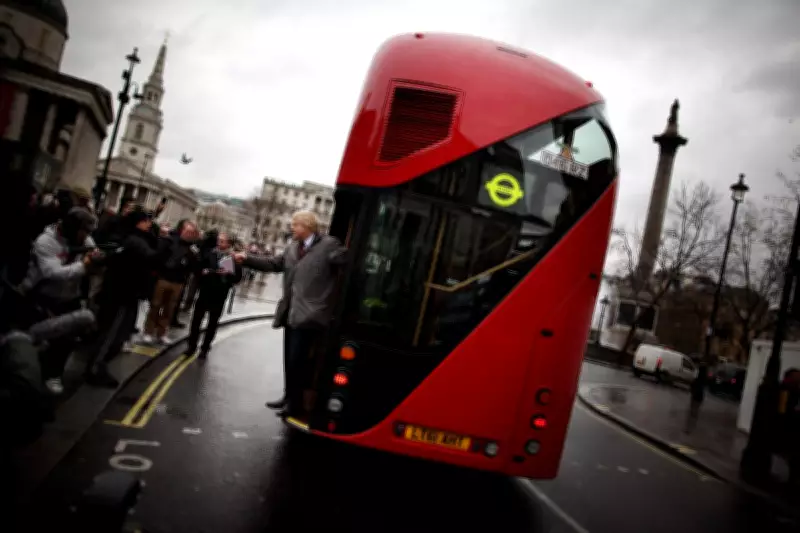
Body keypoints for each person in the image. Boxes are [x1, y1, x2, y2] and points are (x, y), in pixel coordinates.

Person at [234, 210, 347, 415]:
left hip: (311, 314)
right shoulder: (293, 247)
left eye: (295, 225)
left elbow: (346, 262)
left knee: (299, 361)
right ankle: (288, 397)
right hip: (291, 312)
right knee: (289, 358)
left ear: (306, 226)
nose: (291, 228)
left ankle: (296, 404)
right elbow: (273, 264)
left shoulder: (329, 245)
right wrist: (247, 259)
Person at [19, 207, 101, 394]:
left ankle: (53, 374)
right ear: (73, 227)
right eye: (84, 231)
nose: (87, 237)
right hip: (44, 297)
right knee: (41, 339)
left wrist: (97, 262)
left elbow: (92, 254)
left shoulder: (84, 240)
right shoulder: (46, 242)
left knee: (67, 339)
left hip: (70, 296)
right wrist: (84, 265)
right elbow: (53, 273)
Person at [86, 206, 168, 387]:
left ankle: (99, 367)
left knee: (117, 334)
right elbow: (153, 258)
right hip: (122, 294)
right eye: (146, 221)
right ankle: (95, 369)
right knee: (112, 335)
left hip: (123, 292)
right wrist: (165, 243)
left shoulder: (129, 237)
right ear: (138, 222)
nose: (149, 224)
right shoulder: (135, 240)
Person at [185, 232, 242, 359]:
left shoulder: (232, 258)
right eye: (218, 240)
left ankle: (205, 348)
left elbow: (237, 278)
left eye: (222, 241)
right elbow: (199, 268)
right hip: (205, 291)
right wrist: (204, 272)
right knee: (196, 321)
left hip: (219, 294)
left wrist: (228, 274)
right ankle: (191, 346)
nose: (219, 242)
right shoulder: (210, 253)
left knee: (212, 323)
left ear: (228, 244)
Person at [142, 221, 200, 344]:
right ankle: (148, 331)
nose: (188, 234)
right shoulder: (170, 241)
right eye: (187, 231)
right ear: (182, 230)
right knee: (156, 305)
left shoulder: (193, 249)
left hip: (178, 281)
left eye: (191, 233)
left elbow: (193, 266)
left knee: (169, 308)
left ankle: (162, 333)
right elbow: (159, 256)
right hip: (164, 278)